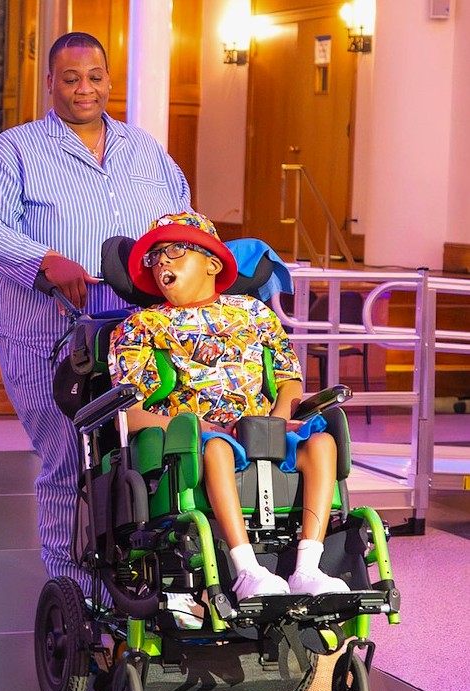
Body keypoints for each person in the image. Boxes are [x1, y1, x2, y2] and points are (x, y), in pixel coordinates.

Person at [0, 33, 191, 595]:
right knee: (71, 461)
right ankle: (77, 599)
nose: (83, 89)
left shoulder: (145, 150)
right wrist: (43, 259)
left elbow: (181, 220)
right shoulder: (13, 151)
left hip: (140, 338)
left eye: (94, 77)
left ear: (109, 80)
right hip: (48, 340)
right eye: (70, 78)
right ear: (50, 83)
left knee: (149, 455)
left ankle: (149, 587)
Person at [108, 212, 350, 602]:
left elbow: (288, 380)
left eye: (174, 250)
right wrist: (199, 427)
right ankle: (247, 570)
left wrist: (278, 421)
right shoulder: (142, 326)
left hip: (265, 429)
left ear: (212, 263)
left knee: (322, 444)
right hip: (197, 440)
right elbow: (131, 412)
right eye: (154, 258)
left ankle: (308, 567)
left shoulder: (256, 314)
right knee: (218, 449)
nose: (162, 262)